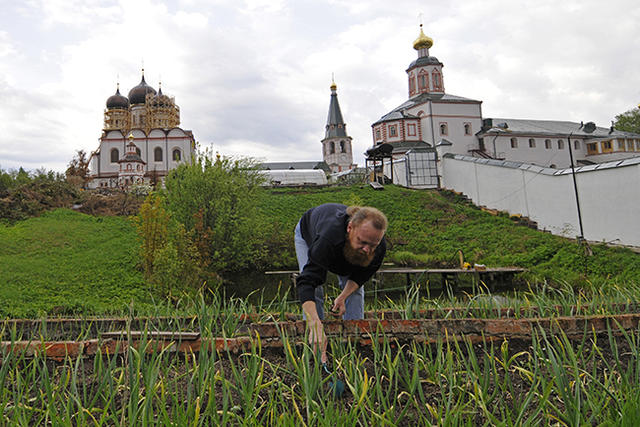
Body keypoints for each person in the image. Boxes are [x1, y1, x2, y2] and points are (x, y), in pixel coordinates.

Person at [294, 203, 387, 362]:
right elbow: (307, 282)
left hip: (344, 252)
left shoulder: (377, 246)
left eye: (372, 245)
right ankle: (316, 346)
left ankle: (354, 349)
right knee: (315, 289)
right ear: (350, 228)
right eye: (362, 242)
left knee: (356, 292)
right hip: (308, 233)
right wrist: (315, 323)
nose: (367, 250)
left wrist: (343, 297)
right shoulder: (328, 238)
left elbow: (360, 277)